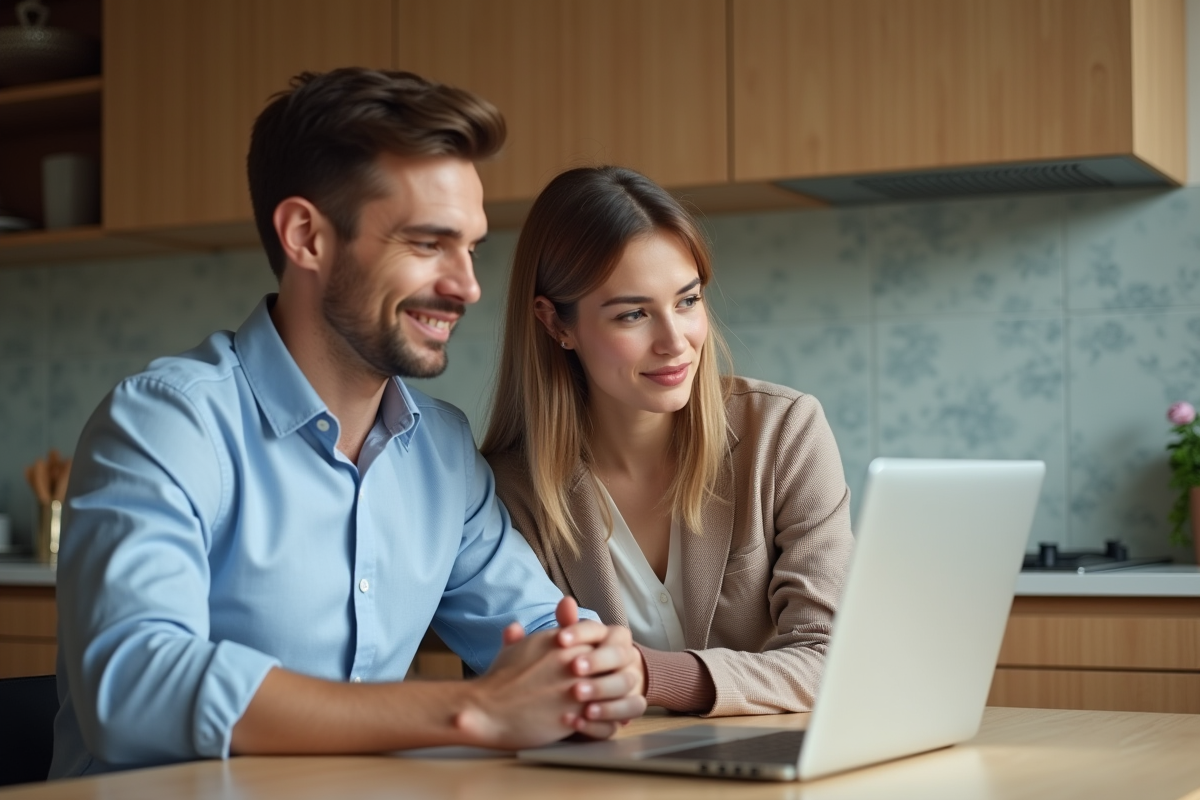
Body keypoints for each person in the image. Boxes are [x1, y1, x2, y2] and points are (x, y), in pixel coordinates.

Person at [49, 70, 645, 778]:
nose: (468, 286)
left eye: (472, 248)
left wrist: (600, 670)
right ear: (306, 236)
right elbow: (133, 689)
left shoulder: (444, 452)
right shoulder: (165, 423)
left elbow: (543, 629)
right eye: (428, 244)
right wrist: (471, 712)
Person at [481, 166, 855, 717]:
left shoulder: (783, 433)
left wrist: (652, 675)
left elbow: (835, 658)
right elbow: (512, 684)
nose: (675, 342)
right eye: (633, 314)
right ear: (555, 324)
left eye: (687, 301)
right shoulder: (504, 491)